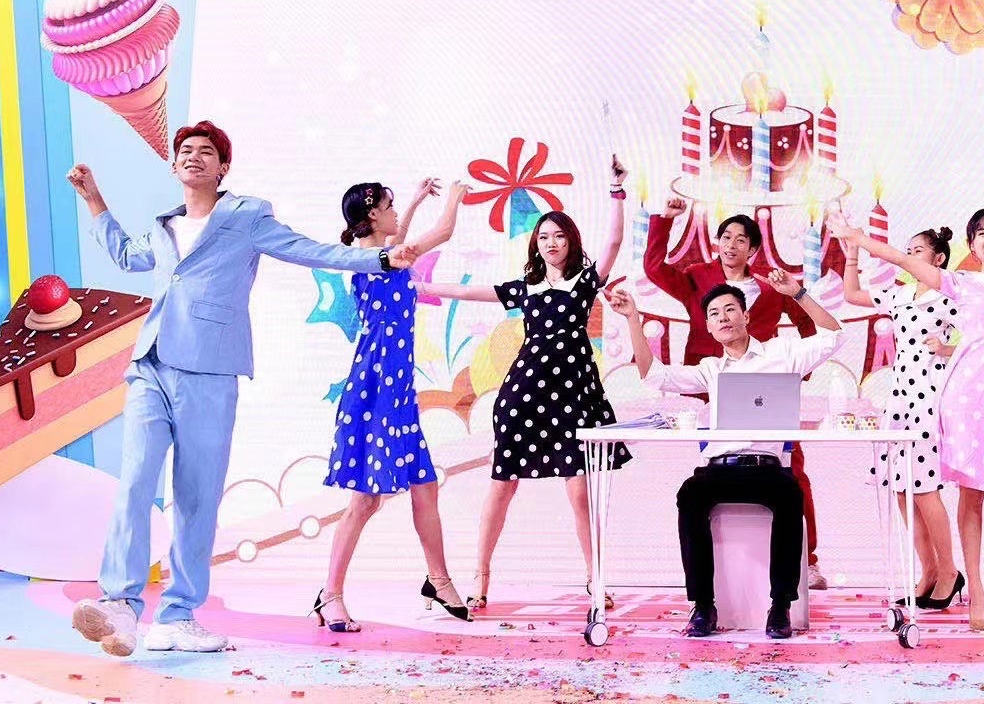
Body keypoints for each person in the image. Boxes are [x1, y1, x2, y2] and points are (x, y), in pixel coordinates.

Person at [65, 122, 417, 658]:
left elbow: (304, 250)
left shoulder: (246, 215)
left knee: (196, 497)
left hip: (210, 369)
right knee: (135, 480)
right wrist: (95, 200)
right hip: (151, 365)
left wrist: (381, 259)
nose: (194, 157)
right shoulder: (164, 226)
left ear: (223, 167)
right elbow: (127, 256)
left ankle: (178, 616)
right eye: (185, 151)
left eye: (206, 152)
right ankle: (121, 605)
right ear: (174, 166)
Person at [415, 156, 629, 612]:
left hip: (573, 395)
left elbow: (613, 240)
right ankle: (481, 576)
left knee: (579, 491)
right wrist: (420, 287)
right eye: (544, 236)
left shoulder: (585, 282)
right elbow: (468, 292)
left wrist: (616, 190)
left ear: (571, 241)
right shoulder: (524, 287)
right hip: (524, 395)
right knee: (503, 484)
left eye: (559, 235)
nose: (551, 242)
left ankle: (596, 579)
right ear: (536, 244)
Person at [609, 276, 841, 640]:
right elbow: (653, 375)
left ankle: (780, 606)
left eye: (730, 309)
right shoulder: (710, 370)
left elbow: (835, 336)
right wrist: (632, 319)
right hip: (720, 469)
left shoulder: (782, 354)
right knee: (690, 494)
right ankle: (703, 606)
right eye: (715, 313)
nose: (723, 317)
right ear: (709, 327)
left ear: (746, 316)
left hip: (768, 469)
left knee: (790, 495)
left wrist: (797, 293)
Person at [313, 177, 474, 632]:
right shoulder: (376, 261)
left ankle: (438, 580)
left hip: (396, 391)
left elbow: (396, 243)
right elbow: (442, 233)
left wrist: (418, 200)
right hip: (376, 391)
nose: (396, 212)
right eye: (391, 205)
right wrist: (456, 197)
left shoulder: (381, 256)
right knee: (366, 500)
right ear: (372, 216)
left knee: (425, 486)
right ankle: (330, 595)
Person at [645, 199, 831, 591]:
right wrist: (665, 221)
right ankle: (717, 573)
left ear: (753, 249)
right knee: (714, 469)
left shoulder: (770, 288)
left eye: (741, 239)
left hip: (765, 391)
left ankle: (808, 561)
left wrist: (796, 373)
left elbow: (809, 325)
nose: (731, 244)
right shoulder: (697, 277)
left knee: (792, 466)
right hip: (711, 387)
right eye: (726, 237)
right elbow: (654, 269)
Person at [833, 222, 964, 612]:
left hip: (931, 396)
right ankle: (929, 570)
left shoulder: (949, 294)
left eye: (917, 251)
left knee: (924, 488)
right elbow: (852, 294)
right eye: (907, 250)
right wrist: (851, 252)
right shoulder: (900, 294)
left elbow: (983, 339)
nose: (909, 257)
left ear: (938, 259)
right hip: (900, 396)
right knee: (902, 488)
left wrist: (946, 348)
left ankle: (949, 571)